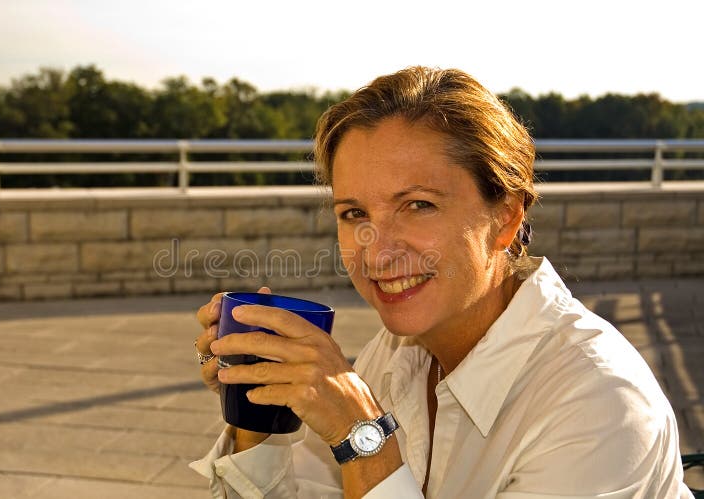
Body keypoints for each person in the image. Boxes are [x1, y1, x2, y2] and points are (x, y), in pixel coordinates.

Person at [189, 66, 693, 498]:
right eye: (353, 212)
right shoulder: (396, 353)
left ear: (507, 218)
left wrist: (360, 433)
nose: (378, 252)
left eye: (418, 205)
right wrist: (257, 406)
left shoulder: (600, 405)